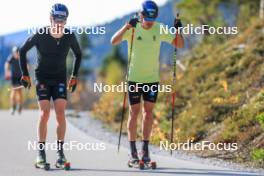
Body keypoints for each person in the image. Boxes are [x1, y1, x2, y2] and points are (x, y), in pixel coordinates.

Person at [111, 0, 184, 165]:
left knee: (148, 113)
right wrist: (126, 27)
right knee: (134, 112)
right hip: (134, 78)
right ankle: (132, 152)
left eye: (153, 20)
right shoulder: (133, 28)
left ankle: (145, 150)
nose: (150, 23)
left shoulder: (159, 29)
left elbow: (179, 44)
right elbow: (113, 41)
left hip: (152, 79)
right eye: (147, 20)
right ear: (141, 15)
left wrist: (179, 30)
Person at [19, 3, 82, 168]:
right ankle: (40, 153)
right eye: (56, 19)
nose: (59, 23)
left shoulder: (69, 35)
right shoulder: (41, 34)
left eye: (63, 20)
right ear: (50, 19)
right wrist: (24, 74)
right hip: (43, 79)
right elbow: (22, 50)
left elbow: (78, 54)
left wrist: (74, 76)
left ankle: (60, 154)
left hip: (60, 79)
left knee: (61, 113)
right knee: (45, 113)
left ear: (66, 21)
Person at [4, 46, 24, 115]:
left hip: (21, 77)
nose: (17, 54)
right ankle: (13, 107)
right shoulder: (11, 57)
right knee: (14, 91)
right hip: (14, 77)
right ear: (13, 53)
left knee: (20, 92)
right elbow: (6, 64)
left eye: (18, 53)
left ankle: (20, 106)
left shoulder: (22, 57)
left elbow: (27, 66)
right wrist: (7, 72)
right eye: (15, 53)